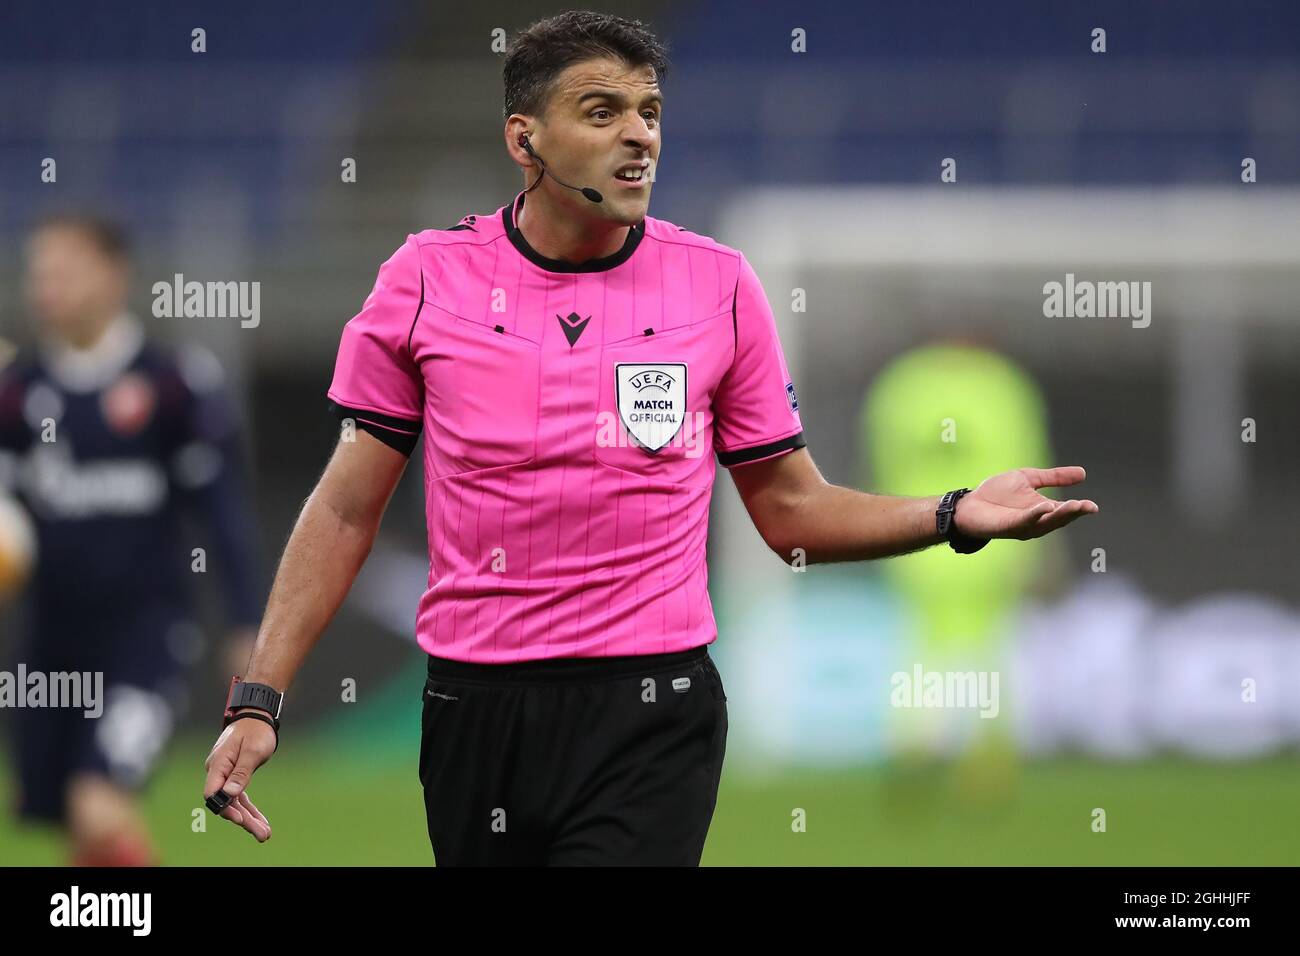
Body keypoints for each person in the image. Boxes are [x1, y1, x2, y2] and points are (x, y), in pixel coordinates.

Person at [203, 11, 1097, 866]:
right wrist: (260, 699)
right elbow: (347, 509)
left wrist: (954, 513)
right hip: (477, 707)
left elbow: (790, 510)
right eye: (603, 111)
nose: (640, 135)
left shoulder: (718, 286)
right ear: (526, 141)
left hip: (653, 706)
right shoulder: (428, 280)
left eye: (650, 112)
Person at [0, 213, 263, 865]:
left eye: (63, 271)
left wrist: (246, 622)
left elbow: (223, 514)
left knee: (98, 803)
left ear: (113, 276)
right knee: (72, 822)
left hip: (145, 639)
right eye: (39, 274)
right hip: (49, 646)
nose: (46, 288)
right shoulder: (18, 393)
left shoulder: (173, 384)